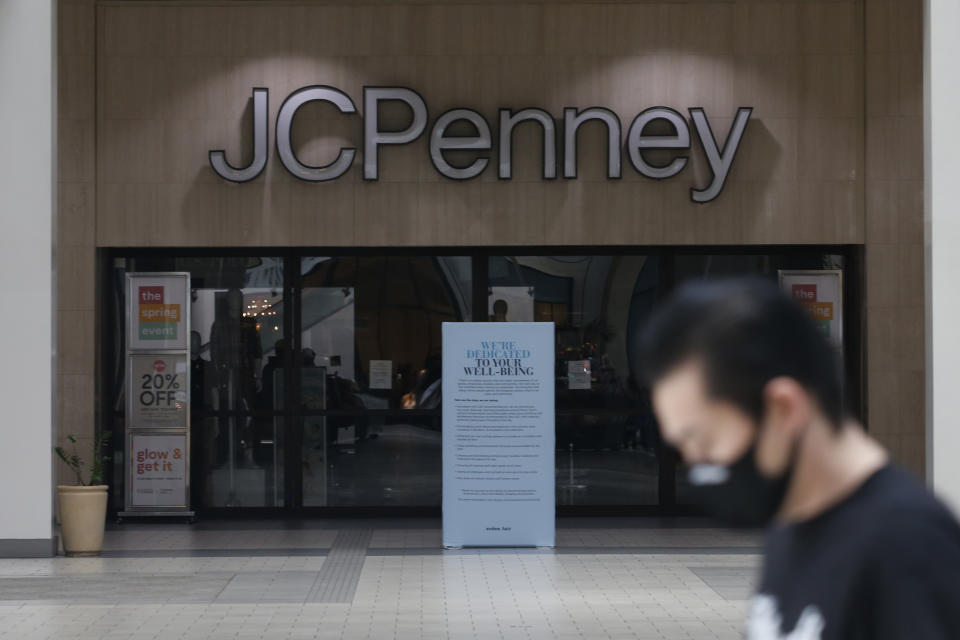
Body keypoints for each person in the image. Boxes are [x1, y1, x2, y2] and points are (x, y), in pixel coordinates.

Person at [639, 277, 960, 639]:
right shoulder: (789, 522)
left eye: (702, 438)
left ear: (783, 409)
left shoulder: (906, 546)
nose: (695, 461)